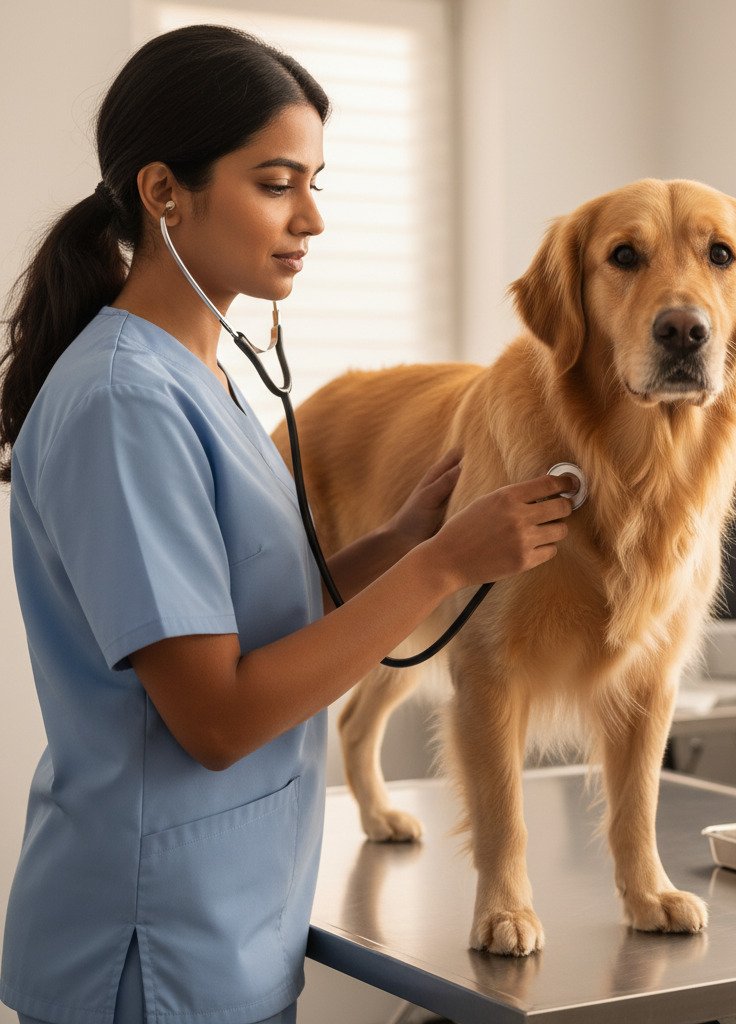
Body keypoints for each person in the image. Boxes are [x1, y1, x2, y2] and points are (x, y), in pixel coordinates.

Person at [0, 24, 573, 1024]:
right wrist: (439, 567)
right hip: (151, 951)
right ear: (164, 191)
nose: (311, 217)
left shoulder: (202, 376)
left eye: (316, 181)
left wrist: (400, 534)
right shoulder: (123, 402)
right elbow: (216, 717)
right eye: (275, 182)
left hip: (228, 929)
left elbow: (258, 617)